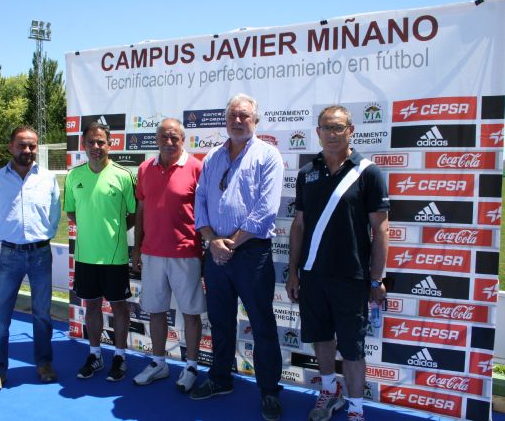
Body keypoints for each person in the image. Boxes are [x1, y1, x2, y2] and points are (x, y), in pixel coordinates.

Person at [286, 105, 389, 421]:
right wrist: (293, 272)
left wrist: (375, 279)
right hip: (313, 276)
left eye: (338, 127)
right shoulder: (307, 173)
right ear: (317, 132)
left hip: (351, 278)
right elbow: (299, 225)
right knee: (321, 339)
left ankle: (357, 410)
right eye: (326, 128)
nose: (332, 134)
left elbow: (381, 229)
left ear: (351, 130)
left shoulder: (368, 172)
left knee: (353, 348)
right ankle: (329, 391)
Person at [192, 94, 284, 421]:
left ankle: (269, 391)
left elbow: (266, 209)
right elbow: (200, 201)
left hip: (250, 254)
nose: (238, 120)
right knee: (219, 320)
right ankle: (220, 379)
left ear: (255, 121)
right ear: (225, 121)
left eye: (244, 115)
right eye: (232, 115)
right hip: (215, 253)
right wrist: (211, 241)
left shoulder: (268, 155)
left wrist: (229, 243)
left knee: (261, 323)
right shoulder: (212, 158)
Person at [0, 126, 61, 393]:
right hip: (10, 254)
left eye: (32, 146)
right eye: (22, 145)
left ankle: (43, 364)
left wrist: (41, 237)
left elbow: (54, 216)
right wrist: (9, 237)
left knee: (42, 314)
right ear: (10, 147)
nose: (27, 150)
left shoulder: (48, 178)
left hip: (40, 254)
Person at [131, 118, 205, 393]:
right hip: (152, 253)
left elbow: (205, 213)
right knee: (156, 310)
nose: (169, 142)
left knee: (190, 313)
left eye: (174, 137)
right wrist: (137, 248)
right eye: (164, 137)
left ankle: (192, 366)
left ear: (183, 140)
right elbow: (140, 211)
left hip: (186, 253)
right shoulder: (144, 168)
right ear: (157, 139)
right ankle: (159, 362)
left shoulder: (197, 167)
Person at [64, 122, 136, 382]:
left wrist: (113, 232)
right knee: (91, 307)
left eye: (101, 142)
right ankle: (95, 354)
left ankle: (119, 356)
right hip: (85, 257)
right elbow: (71, 211)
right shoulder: (74, 176)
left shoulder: (123, 175)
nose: (96, 147)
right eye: (91, 142)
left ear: (110, 143)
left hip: (115, 258)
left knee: (119, 309)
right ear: (84, 145)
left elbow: (133, 213)